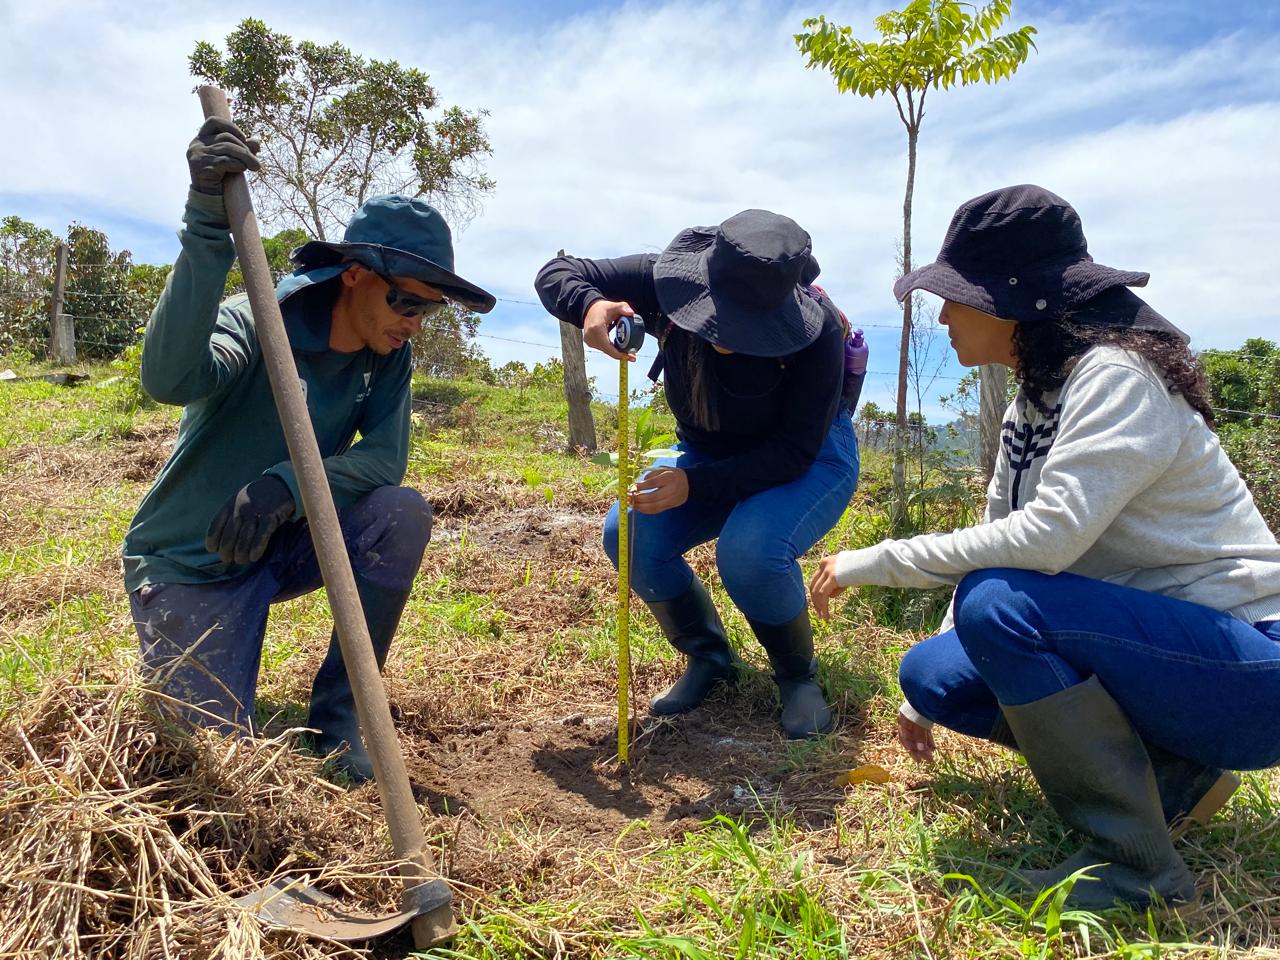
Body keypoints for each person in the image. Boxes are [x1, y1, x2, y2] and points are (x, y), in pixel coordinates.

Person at [809, 184, 1280, 909]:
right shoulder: (1034, 402)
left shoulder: (1115, 376)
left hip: (1252, 668)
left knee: (998, 603)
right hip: (1170, 653)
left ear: (1012, 301)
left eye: (956, 297)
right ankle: (1174, 779)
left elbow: (1046, 541)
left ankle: (1136, 871)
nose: (943, 315)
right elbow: (996, 541)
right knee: (935, 673)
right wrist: (923, 699)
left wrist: (872, 561)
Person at [123, 118, 495, 782]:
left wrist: (284, 487)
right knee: (208, 765)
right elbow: (168, 381)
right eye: (406, 303)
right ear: (354, 276)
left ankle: (339, 717)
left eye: (428, 311)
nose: (414, 325)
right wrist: (207, 221)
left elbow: (385, 460)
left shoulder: (388, 357)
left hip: (283, 538)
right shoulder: (256, 321)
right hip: (192, 559)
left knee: (399, 513)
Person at [535, 209, 862, 739]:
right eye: (719, 316)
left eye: (748, 326)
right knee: (629, 532)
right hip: (707, 450)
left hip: (808, 458)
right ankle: (709, 659)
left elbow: (793, 452)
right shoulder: (662, 280)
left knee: (750, 549)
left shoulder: (817, 331)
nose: (727, 335)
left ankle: (797, 677)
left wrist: (694, 485)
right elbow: (557, 272)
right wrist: (588, 304)